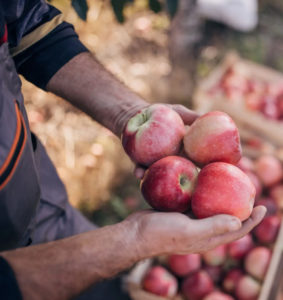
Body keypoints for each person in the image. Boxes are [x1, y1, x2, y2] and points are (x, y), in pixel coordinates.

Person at [0, 0, 266, 299]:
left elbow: (28, 24)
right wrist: (134, 240)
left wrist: (128, 113)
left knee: (106, 289)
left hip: (38, 191)